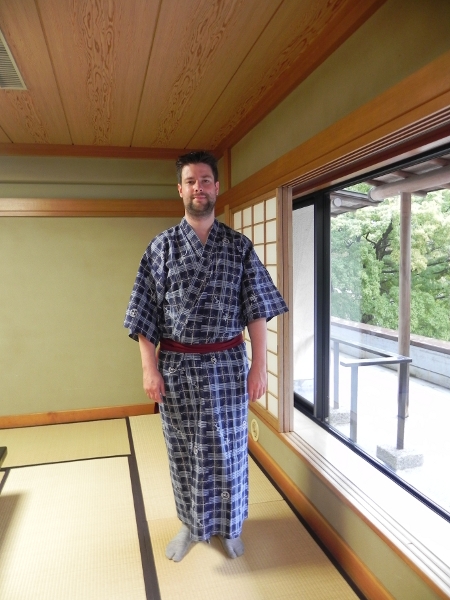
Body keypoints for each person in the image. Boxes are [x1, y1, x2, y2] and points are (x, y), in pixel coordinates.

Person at [124, 150, 288, 562]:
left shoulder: (239, 247)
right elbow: (144, 317)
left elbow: (257, 311)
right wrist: (149, 370)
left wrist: (259, 367)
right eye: (191, 181)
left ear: (216, 187)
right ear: (180, 190)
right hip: (177, 367)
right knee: (184, 451)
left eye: (205, 180)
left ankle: (229, 527)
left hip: (227, 366)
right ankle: (190, 525)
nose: (198, 187)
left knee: (229, 450)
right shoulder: (161, 247)